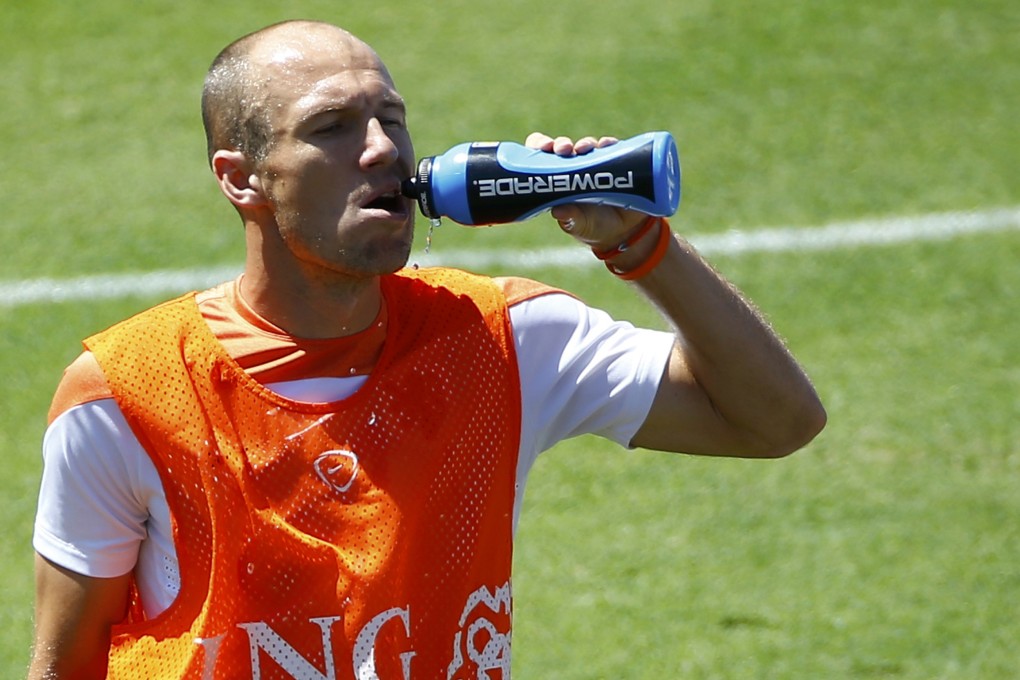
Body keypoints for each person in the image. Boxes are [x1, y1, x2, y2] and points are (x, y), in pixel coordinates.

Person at [28, 19, 825, 680]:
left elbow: (776, 421)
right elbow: (67, 664)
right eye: (332, 128)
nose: (383, 149)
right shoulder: (123, 396)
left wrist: (642, 244)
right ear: (242, 179)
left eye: (392, 118)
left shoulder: (503, 339)